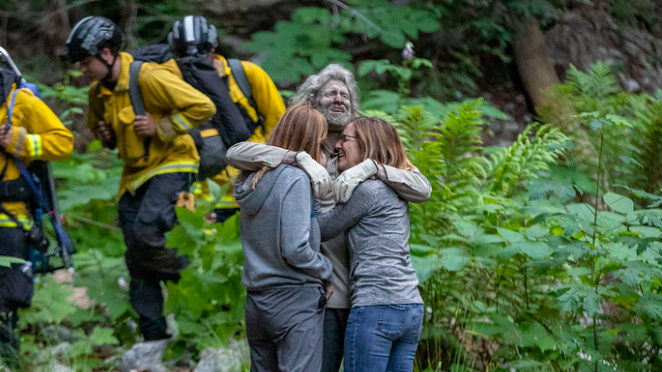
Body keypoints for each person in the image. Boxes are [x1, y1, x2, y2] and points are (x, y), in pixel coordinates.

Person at [226, 63, 431, 372]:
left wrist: (372, 168)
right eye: (330, 93)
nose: (339, 99)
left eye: (344, 94)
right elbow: (236, 154)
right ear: (312, 100)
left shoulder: (361, 145)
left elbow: (422, 188)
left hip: (370, 295)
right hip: (324, 294)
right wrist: (299, 158)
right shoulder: (300, 144)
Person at [61, 16, 216, 341]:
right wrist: (106, 136)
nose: (83, 69)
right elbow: (108, 138)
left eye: (86, 62)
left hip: (173, 163)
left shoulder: (148, 76)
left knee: (148, 231)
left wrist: (162, 126)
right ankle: (154, 338)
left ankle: (190, 279)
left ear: (106, 53)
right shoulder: (97, 94)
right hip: (134, 176)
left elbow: (203, 106)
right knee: (135, 257)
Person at [317, 117, 424, 372]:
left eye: (345, 138)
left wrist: (312, 189)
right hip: (410, 305)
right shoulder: (396, 185)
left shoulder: (368, 190)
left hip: (375, 306)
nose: (338, 145)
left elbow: (321, 229)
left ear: (366, 144)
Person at [234, 104, 333, 372]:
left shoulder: (252, 178)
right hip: (294, 301)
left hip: (257, 302)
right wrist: (327, 270)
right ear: (312, 143)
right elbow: (295, 248)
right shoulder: (296, 179)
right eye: (322, 145)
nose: (325, 152)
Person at [165, 15, 286, 222]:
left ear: (213, 47)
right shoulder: (169, 84)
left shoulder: (246, 74)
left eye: (202, 54)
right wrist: (186, 210)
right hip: (201, 200)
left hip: (252, 191)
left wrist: (267, 178)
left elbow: (281, 127)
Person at [0, 55, 74, 367]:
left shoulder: (21, 102)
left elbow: (63, 142)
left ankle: (8, 360)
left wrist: (22, 142)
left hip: (10, 215)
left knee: (6, 297)